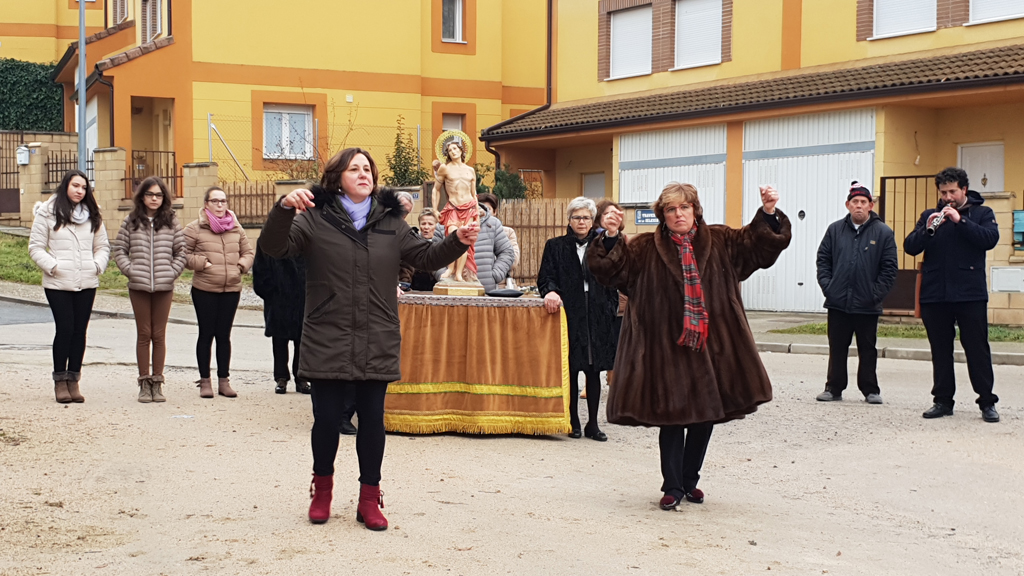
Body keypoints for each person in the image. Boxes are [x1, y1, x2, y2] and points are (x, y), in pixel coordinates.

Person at [259, 147, 479, 530]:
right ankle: (323, 490)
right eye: (355, 168)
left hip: (377, 332)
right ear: (337, 177)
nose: (364, 174)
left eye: (368, 169)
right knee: (326, 420)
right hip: (329, 332)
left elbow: (425, 257)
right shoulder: (314, 217)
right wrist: (282, 209)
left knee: (372, 422)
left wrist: (458, 239)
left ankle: (369, 498)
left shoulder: (391, 222)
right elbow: (275, 247)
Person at [588, 182, 791, 509]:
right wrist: (611, 236)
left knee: (703, 417)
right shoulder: (643, 248)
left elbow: (758, 248)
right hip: (665, 347)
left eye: (684, 207)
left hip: (710, 347)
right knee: (671, 417)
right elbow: (610, 271)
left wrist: (768, 212)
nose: (678, 214)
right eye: (671, 209)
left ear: (695, 209)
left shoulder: (722, 240)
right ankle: (672, 486)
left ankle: (689, 479)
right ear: (662, 215)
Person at [904, 167, 1000, 423]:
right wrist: (927, 228)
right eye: (943, 192)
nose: (948, 197)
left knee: (977, 349)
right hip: (936, 294)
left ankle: (987, 402)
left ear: (964, 190)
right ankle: (943, 401)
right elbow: (910, 247)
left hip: (970, 294)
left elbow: (989, 239)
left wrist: (961, 221)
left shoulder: (982, 213)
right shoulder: (930, 215)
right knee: (940, 350)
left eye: (952, 192)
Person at [538, 197, 619, 441]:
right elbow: (545, 277)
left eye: (585, 217)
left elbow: (617, 268)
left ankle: (593, 424)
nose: (581, 222)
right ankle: (572, 420)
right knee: (571, 368)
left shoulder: (603, 245)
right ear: (569, 220)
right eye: (576, 217)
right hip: (570, 312)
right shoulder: (556, 246)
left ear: (592, 221)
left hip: (598, 312)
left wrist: (610, 304)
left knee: (594, 370)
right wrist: (550, 291)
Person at [28, 170, 110, 404]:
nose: (79, 191)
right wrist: (53, 266)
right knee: (65, 329)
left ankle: (74, 379)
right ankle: (60, 381)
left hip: (87, 280)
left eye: (84, 188)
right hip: (57, 282)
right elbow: (35, 247)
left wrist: (96, 266)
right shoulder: (47, 213)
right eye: (75, 186)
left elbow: (102, 246)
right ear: (66, 186)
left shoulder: (93, 214)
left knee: (79, 331)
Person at [814, 182, 898, 405]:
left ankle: (870, 389)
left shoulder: (883, 233)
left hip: (867, 303)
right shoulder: (834, 230)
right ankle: (833, 388)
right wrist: (829, 288)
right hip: (838, 302)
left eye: (863, 202)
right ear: (847, 205)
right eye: (855, 202)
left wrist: (875, 294)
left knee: (867, 349)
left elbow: (889, 269)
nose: (859, 206)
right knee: (837, 347)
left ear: (870, 205)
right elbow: (823, 260)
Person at [112, 176, 187, 403]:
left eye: (158, 195)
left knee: (159, 335)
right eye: (150, 194)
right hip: (139, 286)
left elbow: (181, 252)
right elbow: (119, 251)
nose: (154, 199)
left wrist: (171, 272)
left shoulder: (171, 221)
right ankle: (144, 383)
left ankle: (158, 383)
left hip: (164, 286)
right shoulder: (131, 221)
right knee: (144, 334)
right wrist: (131, 270)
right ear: (142, 197)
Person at [184, 186, 255, 399]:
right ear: (206, 204)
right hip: (204, 288)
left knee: (224, 336)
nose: (220, 205)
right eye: (215, 201)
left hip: (231, 288)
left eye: (223, 201)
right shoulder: (195, 228)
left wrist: (240, 266)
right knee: (206, 334)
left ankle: (224, 381)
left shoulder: (236, 227)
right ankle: (205, 381)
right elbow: (181, 254)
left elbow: (249, 252)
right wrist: (202, 263)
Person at [252, 244, 310, 395]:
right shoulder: (270, 238)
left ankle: (301, 377)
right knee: (279, 340)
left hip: (303, 296)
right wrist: (270, 292)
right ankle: (281, 377)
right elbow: (260, 270)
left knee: (302, 340)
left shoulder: (306, 234)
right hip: (278, 298)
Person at [433, 139, 478, 283]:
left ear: (461, 150)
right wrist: (434, 209)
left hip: (469, 207)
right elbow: (436, 189)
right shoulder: (445, 168)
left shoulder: (470, 170)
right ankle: (450, 269)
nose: (453, 151)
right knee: (452, 237)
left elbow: (474, 193)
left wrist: (477, 215)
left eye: (455, 148)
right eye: (450, 150)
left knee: (465, 241)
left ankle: (459, 273)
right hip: (453, 206)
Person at [595, 199, 628, 391]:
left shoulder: (625, 240)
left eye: (616, 213)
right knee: (600, 339)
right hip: (599, 298)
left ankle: (614, 377)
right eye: (608, 213)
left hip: (621, 298)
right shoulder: (594, 241)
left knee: (618, 339)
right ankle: (595, 379)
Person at [471, 202, 515, 293]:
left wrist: (495, 275)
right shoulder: (444, 223)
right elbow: (435, 255)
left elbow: (506, 251)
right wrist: (442, 276)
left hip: (486, 291)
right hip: (449, 291)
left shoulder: (492, 223)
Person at [478, 193, 520, 279]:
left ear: (495, 212)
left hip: (501, 285)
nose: (483, 212)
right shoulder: (469, 231)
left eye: (488, 209)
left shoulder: (507, 232)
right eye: (480, 208)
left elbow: (513, 260)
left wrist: (494, 275)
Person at [399, 209, 442, 292]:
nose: (426, 227)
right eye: (423, 224)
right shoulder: (412, 244)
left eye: (430, 224)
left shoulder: (443, 246)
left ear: (437, 226)